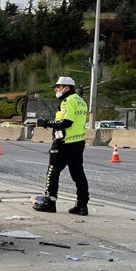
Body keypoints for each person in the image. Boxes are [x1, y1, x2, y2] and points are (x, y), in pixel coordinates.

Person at [33, 76, 90, 215]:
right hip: (78, 143)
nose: (55, 90)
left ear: (67, 88)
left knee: (52, 172)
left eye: (58, 87)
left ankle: (50, 202)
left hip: (64, 143)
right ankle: (82, 205)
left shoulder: (68, 101)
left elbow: (66, 122)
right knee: (78, 174)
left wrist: (46, 123)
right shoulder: (81, 101)